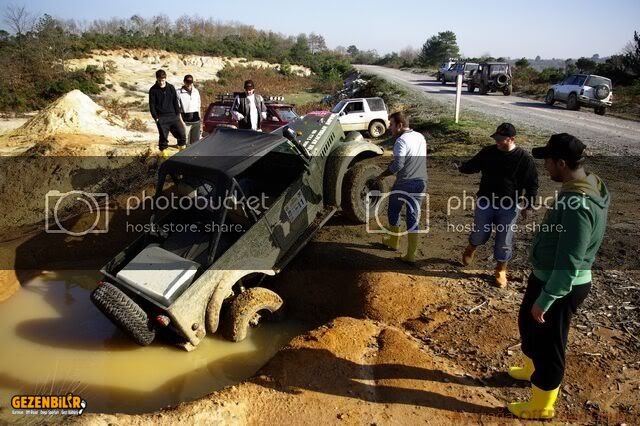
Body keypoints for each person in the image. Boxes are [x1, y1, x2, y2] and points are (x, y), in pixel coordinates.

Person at [507, 134, 609, 420]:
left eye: (548, 161)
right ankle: (531, 369)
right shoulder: (588, 182)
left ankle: (542, 405)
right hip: (547, 275)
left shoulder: (578, 204)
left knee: (549, 346)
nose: (545, 166)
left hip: (562, 283)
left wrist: (548, 297)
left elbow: (570, 259)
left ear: (561, 163)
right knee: (528, 325)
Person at [457, 122, 538, 287]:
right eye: (496, 138)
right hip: (486, 201)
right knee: (480, 233)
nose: (498, 142)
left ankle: (501, 269)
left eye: (501, 139)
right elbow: (473, 165)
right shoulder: (488, 152)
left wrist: (528, 205)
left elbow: (532, 184)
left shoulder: (524, 158)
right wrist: (462, 167)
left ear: (512, 139)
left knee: (504, 240)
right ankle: (471, 247)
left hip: (510, 206)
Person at [375, 111, 427, 264]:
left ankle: (394, 241)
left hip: (404, 183)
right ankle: (411, 254)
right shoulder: (420, 136)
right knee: (413, 216)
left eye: (391, 124)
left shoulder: (401, 141)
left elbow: (398, 165)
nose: (389, 128)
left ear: (400, 125)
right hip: (421, 182)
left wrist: (383, 174)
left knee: (393, 210)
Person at [149, 69, 186, 158]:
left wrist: (178, 114)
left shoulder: (171, 87)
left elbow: (175, 102)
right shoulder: (153, 90)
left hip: (173, 116)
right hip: (161, 117)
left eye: (163, 80)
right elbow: (152, 105)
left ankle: (182, 153)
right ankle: (164, 156)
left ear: (165, 78)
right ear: (157, 79)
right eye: (159, 80)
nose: (161, 82)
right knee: (163, 137)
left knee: (181, 134)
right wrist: (156, 118)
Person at [176, 74, 202, 145]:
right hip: (185, 122)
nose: (189, 84)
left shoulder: (196, 92)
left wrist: (200, 122)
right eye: (187, 82)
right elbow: (177, 110)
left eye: (190, 82)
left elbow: (198, 107)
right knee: (185, 143)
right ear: (184, 82)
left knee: (195, 144)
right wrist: (182, 123)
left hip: (196, 121)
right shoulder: (178, 92)